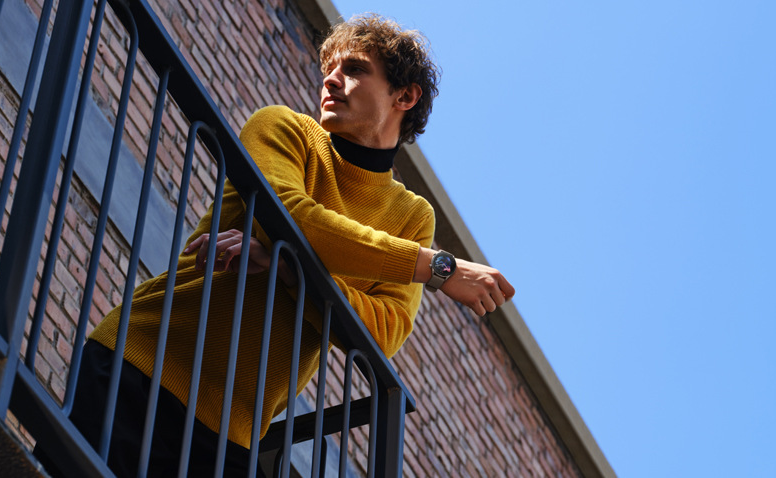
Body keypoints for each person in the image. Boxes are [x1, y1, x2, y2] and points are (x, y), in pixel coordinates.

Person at [38, 13, 514, 477]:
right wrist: (436, 268)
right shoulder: (284, 129)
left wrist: (287, 267)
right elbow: (291, 215)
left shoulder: (412, 216)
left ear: (405, 96)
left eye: (354, 69)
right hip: (140, 364)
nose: (331, 80)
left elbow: (383, 331)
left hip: (233, 436)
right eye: (329, 69)